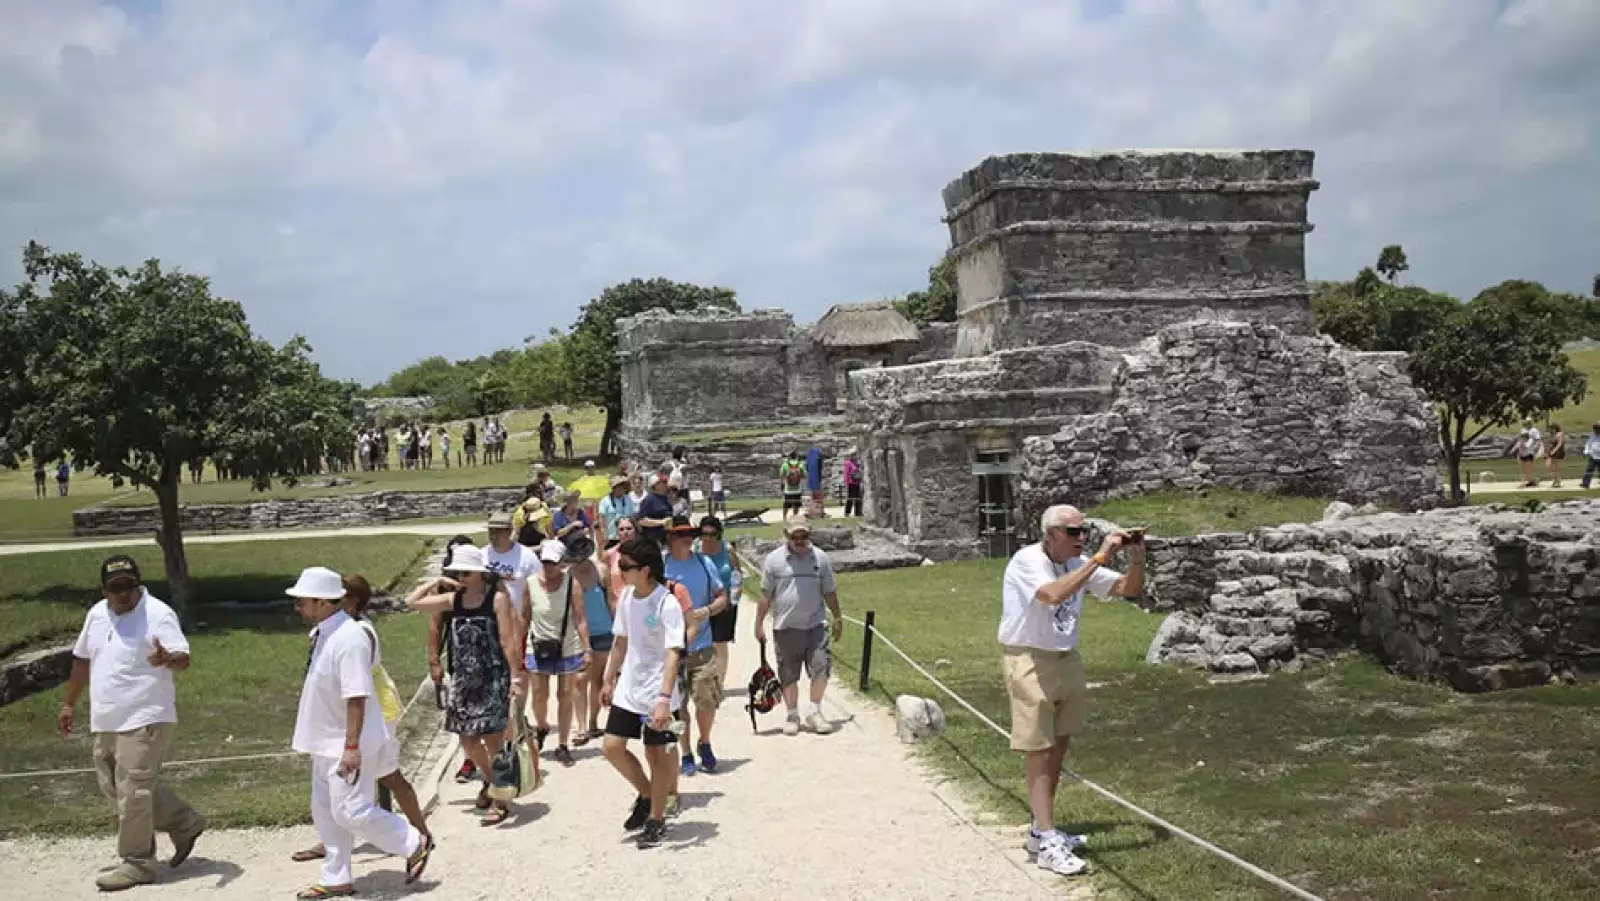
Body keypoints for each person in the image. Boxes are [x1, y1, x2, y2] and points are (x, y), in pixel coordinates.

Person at [1000, 505, 1144, 877]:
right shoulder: (1027, 560)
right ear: (1050, 534)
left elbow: (1127, 588)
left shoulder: (1079, 562)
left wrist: (1136, 558)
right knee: (1039, 749)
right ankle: (1047, 839)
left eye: (1083, 531)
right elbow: (1050, 594)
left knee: (1059, 746)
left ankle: (1040, 830)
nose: (1081, 537)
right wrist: (1099, 556)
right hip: (1030, 658)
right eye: (1073, 532)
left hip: (1065, 658)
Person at [58, 555, 207, 892]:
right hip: (107, 717)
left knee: (134, 791)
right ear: (104, 590)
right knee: (115, 786)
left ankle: (138, 862)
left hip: (146, 715)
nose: (123, 594)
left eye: (129, 586)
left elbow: (183, 657)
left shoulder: (158, 614)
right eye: (116, 588)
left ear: (139, 584)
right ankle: (184, 822)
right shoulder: (97, 614)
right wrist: (69, 703)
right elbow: (82, 660)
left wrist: (168, 659)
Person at [288, 565, 434, 897]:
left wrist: (351, 745)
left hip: (346, 740)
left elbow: (356, 694)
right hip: (323, 738)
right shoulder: (323, 633)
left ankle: (414, 841)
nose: (297, 607)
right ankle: (336, 875)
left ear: (324, 602)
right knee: (325, 812)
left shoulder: (350, 637)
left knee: (349, 810)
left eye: (302, 601)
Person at [413, 546, 524, 825]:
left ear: (479, 574)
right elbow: (411, 602)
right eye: (456, 572)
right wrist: (434, 583)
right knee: (468, 741)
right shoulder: (454, 599)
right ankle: (491, 782)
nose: (460, 577)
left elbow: (508, 640)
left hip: (492, 677)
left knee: (493, 740)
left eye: (465, 572)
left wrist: (516, 677)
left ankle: (500, 800)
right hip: (464, 681)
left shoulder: (496, 599)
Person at [600, 537, 694, 849]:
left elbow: (672, 653)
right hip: (630, 687)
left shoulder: (666, 603)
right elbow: (620, 641)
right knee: (612, 746)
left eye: (625, 566)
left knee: (657, 753)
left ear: (646, 570)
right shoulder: (627, 597)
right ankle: (645, 793)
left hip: (659, 690)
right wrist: (608, 678)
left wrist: (665, 699)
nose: (620, 571)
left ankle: (656, 818)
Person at [755, 513, 841, 736]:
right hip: (785, 627)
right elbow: (765, 595)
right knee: (789, 674)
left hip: (815, 625)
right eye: (796, 536)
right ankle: (792, 714)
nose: (800, 540)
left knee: (821, 667)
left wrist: (838, 617)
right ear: (786, 536)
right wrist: (758, 623)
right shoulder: (774, 561)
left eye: (804, 535)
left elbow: (829, 591)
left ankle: (815, 711)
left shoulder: (820, 559)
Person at [665, 516, 729, 776]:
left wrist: (705, 611)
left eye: (690, 533)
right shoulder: (661, 565)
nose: (688, 538)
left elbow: (722, 597)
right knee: (678, 706)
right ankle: (686, 752)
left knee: (706, 701)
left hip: (701, 643)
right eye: (681, 534)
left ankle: (705, 741)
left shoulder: (704, 564)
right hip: (672, 649)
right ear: (670, 539)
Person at [525, 539, 592, 767]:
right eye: (544, 562)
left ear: (562, 563)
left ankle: (562, 743)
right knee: (538, 694)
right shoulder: (530, 583)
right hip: (537, 643)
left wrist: (587, 648)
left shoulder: (571, 584)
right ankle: (542, 724)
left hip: (567, 644)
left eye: (552, 563)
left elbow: (580, 618)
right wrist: (516, 648)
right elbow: (524, 618)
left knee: (565, 694)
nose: (548, 567)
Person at [572, 542, 616, 747]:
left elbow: (611, 600)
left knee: (597, 680)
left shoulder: (601, 570)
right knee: (579, 680)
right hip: (579, 635)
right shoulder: (568, 576)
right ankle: (581, 727)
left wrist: (618, 627)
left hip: (603, 630)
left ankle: (592, 722)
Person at [697, 516, 744, 683]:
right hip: (702, 602)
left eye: (712, 534)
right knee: (703, 643)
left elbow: (737, 573)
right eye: (704, 533)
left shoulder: (727, 550)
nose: (708, 537)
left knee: (720, 643)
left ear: (719, 534)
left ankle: (719, 682)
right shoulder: (696, 550)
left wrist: (734, 599)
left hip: (725, 602)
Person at [482, 510, 539, 634]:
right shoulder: (481, 555)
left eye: (497, 532)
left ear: (509, 531)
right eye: (491, 531)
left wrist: (526, 622)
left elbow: (537, 589)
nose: (493, 536)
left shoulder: (527, 556)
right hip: (486, 622)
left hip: (516, 622)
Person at [599, 475, 638, 549]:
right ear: (614, 488)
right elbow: (601, 518)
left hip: (627, 537)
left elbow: (633, 515)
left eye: (622, 487)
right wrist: (603, 533)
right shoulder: (605, 501)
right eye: (619, 487)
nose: (621, 489)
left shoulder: (628, 499)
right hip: (611, 537)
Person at [637, 473, 674, 547]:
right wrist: (662, 522)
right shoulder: (649, 500)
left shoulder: (665, 499)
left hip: (666, 539)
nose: (666, 484)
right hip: (653, 542)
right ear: (656, 485)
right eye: (663, 482)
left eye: (666, 482)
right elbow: (641, 521)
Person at [1513, 419, 1541, 488]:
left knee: (1529, 468)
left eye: (1527, 423)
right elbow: (1519, 441)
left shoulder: (1534, 431)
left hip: (1529, 452)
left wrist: (1535, 449)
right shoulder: (1523, 430)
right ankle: (1526, 481)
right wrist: (1514, 448)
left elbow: (1537, 441)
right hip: (1521, 452)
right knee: (1522, 469)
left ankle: (1533, 480)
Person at [779, 451, 805, 517]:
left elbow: (781, 474)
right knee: (796, 504)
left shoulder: (785, 464)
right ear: (796, 457)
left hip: (788, 489)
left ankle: (784, 518)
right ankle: (794, 517)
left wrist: (782, 484)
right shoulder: (800, 464)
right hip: (798, 488)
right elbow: (804, 475)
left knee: (787, 504)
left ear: (789, 457)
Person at [1545, 423, 1567, 488]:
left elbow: (1559, 444)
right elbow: (1549, 444)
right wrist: (1547, 451)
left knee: (1557, 467)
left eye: (1552, 428)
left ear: (1555, 428)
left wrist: (1553, 451)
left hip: (1558, 452)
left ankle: (1557, 482)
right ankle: (1555, 480)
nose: (1551, 430)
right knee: (1549, 466)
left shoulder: (1560, 434)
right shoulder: (1552, 435)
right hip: (1551, 452)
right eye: (1550, 428)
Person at [842, 450, 863, 517]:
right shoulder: (848, 463)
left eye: (856, 455)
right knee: (850, 498)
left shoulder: (857, 463)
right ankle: (847, 512)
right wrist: (846, 483)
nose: (855, 456)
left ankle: (858, 512)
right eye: (854, 455)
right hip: (851, 483)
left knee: (858, 498)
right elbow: (846, 473)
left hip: (857, 482)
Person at [1581, 422, 1600, 489]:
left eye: (1597, 429)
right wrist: (1586, 452)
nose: (1595, 430)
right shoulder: (1592, 435)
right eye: (1595, 429)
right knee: (1589, 470)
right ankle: (1585, 484)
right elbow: (1589, 444)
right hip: (1593, 456)